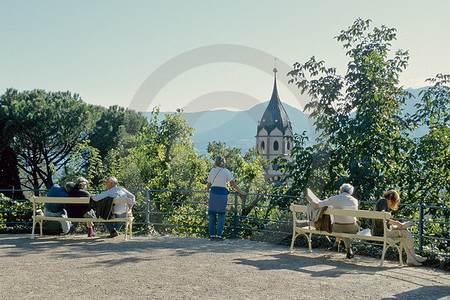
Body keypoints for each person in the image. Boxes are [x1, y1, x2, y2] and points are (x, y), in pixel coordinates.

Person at [371, 190, 427, 266]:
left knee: (404, 232)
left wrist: (398, 226)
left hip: (380, 230)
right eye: (393, 201)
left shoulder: (381, 201)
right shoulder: (383, 202)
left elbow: (383, 221)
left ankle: (410, 257)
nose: (392, 204)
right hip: (381, 232)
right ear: (390, 197)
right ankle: (413, 255)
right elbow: (382, 219)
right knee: (405, 233)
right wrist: (397, 224)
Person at [203, 156, 246, 241]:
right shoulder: (226, 171)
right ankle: (219, 235)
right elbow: (232, 182)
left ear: (215, 162)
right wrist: (240, 191)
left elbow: (209, 183)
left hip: (213, 193)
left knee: (212, 214)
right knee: (221, 215)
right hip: (222, 194)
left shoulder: (212, 170)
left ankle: (212, 235)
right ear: (223, 162)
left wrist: (206, 190)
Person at [312, 183, 359, 259]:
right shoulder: (355, 200)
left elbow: (317, 206)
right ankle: (347, 249)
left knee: (339, 224)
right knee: (347, 224)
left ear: (341, 190)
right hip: (352, 229)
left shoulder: (334, 198)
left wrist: (311, 200)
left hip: (337, 228)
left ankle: (336, 245)